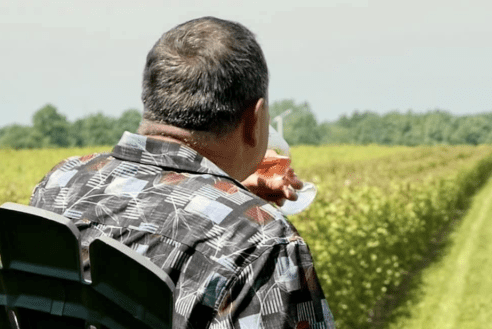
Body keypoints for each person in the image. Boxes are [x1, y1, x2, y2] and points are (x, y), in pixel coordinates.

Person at [29, 17, 335, 329]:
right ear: (254, 120)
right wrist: (235, 210)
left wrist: (225, 196)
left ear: (153, 102)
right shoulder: (263, 242)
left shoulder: (60, 182)